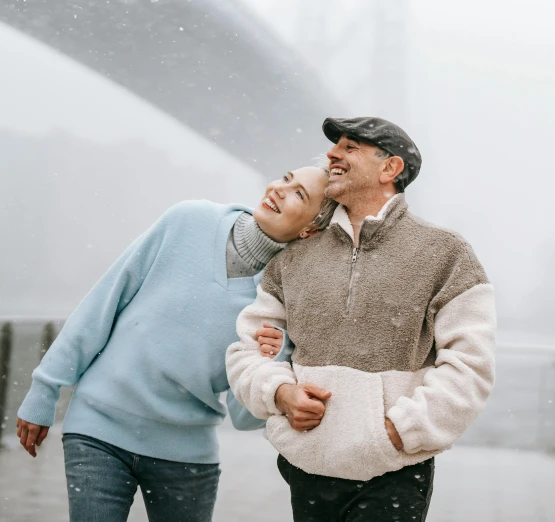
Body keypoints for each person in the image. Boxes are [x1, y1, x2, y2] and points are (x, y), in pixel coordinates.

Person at [15, 163, 337, 522]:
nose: (279, 188)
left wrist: (274, 357)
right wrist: (44, 389)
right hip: (97, 429)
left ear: (311, 228)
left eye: (298, 194)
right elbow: (102, 304)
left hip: (186, 457)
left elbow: (244, 416)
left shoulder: (281, 298)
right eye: (286, 178)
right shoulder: (188, 220)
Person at [227, 117, 497, 521]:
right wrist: (280, 393)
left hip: (393, 473)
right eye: (337, 146)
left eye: (350, 147)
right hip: (306, 467)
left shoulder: (445, 253)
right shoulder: (293, 256)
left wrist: (397, 432)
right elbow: (247, 349)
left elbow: (471, 367)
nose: (333, 154)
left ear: (390, 169)